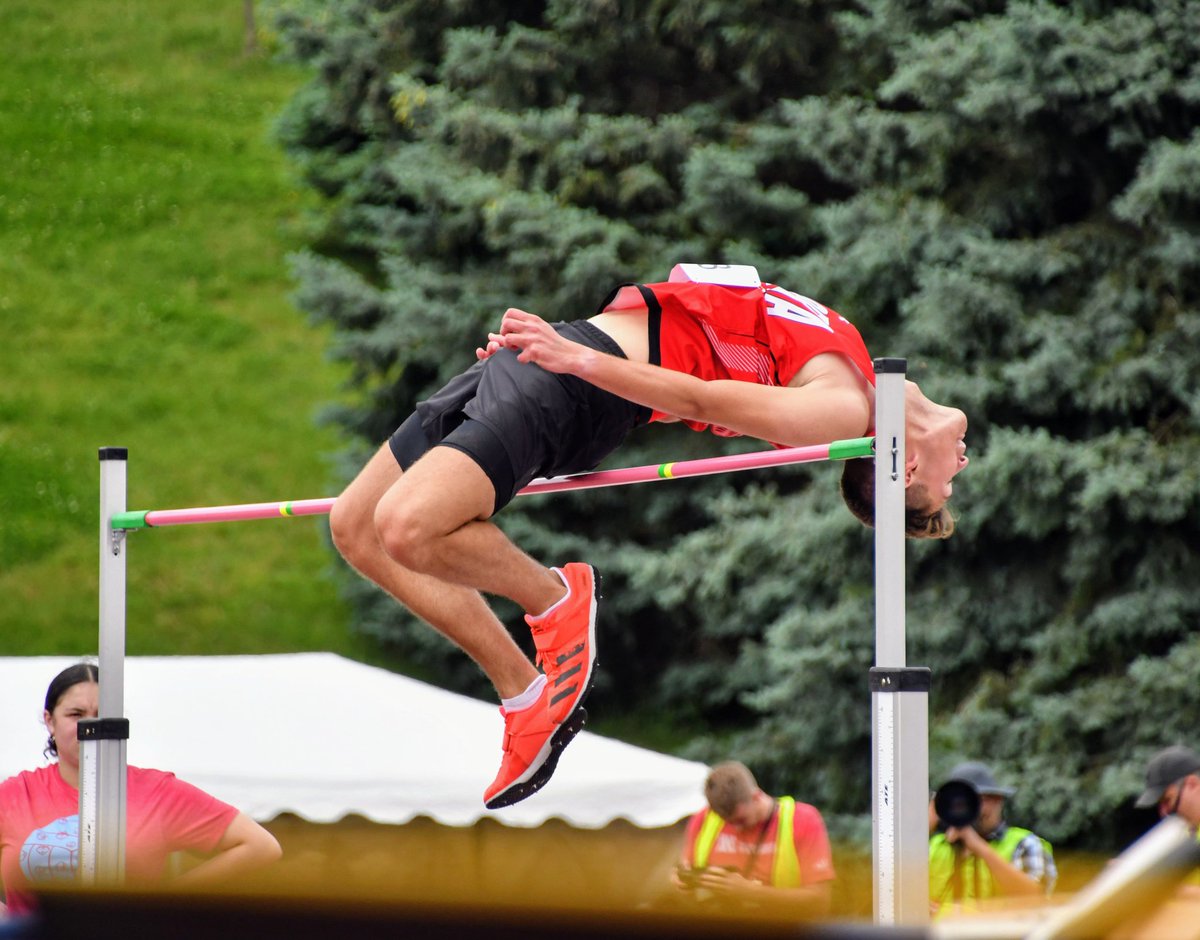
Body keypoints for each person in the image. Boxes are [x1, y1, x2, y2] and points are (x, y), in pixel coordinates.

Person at [329, 267, 970, 809]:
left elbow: (701, 397)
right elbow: (704, 301)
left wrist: (577, 358)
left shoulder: (838, 410)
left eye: (946, 486)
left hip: (578, 382)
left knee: (406, 527)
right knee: (355, 527)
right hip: (559, 358)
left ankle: (555, 599)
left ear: (905, 470)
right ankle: (525, 695)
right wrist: (567, 344)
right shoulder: (853, 360)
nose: (961, 467)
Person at [0, 663, 282, 915]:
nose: (91, 726)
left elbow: (261, 846)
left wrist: (163, 906)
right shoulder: (14, 794)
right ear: (50, 721)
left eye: (101, 715)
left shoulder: (157, 792)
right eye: (76, 714)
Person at [671, 761, 834, 916]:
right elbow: (682, 869)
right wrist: (681, 880)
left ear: (757, 796)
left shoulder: (803, 820)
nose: (736, 828)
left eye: (741, 820)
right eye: (725, 821)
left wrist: (752, 893)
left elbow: (820, 900)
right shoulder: (703, 819)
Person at [929, 761, 1056, 916]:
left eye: (974, 800)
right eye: (957, 803)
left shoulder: (1025, 844)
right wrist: (927, 822)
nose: (965, 809)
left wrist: (979, 846)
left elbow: (1037, 900)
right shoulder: (935, 846)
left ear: (997, 800)